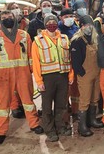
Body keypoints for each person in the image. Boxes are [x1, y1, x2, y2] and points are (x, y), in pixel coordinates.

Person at [0, 10, 43, 146]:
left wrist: (31, 72)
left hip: (23, 75)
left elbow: (30, 56)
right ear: (0, 20)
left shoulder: (24, 35)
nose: (7, 19)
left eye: (10, 16)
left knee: (28, 102)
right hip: (4, 77)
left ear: (15, 18)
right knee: (3, 105)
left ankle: (34, 124)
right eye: (4, 17)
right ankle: (0, 132)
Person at [32, 14, 72, 142]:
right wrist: (38, 81)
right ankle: (50, 130)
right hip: (47, 78)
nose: (51, 24)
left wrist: (70, 75)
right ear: (45, 24)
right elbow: (36, 62)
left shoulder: (65, 38)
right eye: (48, 22)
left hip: (63, 77)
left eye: (53, 21)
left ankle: (60, 126)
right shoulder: (38, 40)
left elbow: (69, 59)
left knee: (61, 104)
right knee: (47, 106)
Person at [70, 15, 103, 137]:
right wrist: (81, 73)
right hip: (85, 75)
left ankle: (92, 120)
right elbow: (75, 61)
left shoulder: (95, 38)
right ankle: (82, 126)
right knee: (84, 100)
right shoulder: (77, 41)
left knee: (95, 98)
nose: (88, 27)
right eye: (85, 25)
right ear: (81, 26)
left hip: (97, 73)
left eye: (90, 25)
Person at [58, 8, 80, 122]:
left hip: (75, 62)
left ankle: (76, 111)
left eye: (71, 16)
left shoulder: (76, 28)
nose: (69, 19)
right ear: (61, 18)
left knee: (75, 90)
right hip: (63, 64)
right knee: (64, 91)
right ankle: (65, 114)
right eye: (66, 17)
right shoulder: (57, 30)